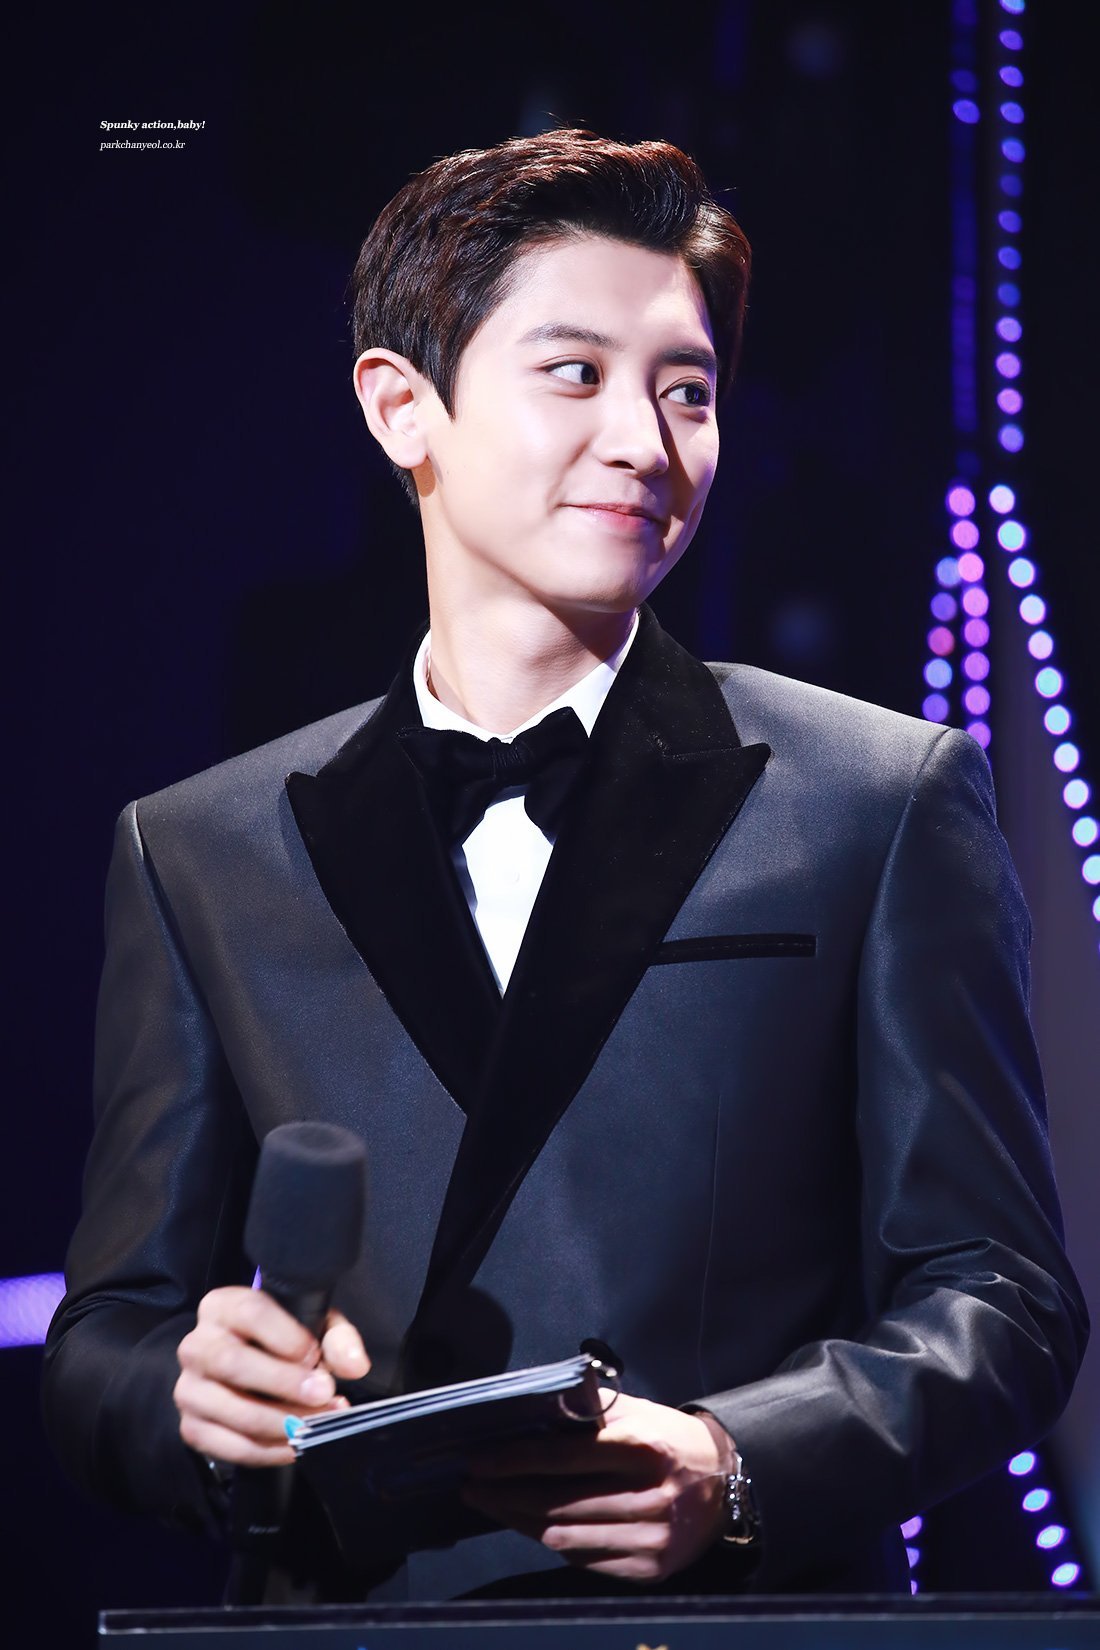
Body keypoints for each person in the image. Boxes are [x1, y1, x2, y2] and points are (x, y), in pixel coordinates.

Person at [43, 129, 1087, 1605]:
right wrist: (194, 1399)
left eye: (688, 390)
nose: (646, 441)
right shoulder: (203, 847)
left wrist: (740, 1463)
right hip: (361, 1628)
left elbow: (1004, 1295)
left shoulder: (874, 799)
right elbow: (108, 1336)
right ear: (402, 408)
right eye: (576, 374)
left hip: (738, 1630)